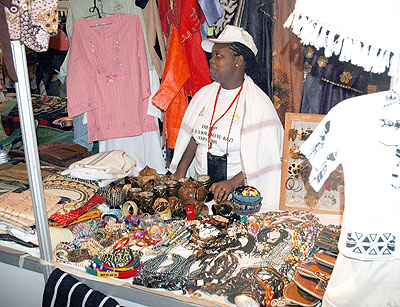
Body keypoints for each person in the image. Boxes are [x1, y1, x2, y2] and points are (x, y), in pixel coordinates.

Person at [169, 25, 283, 211]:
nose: (211, 61)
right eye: (212, 56)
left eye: (218, 56)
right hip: (199, 192)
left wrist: (231, 183)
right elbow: (194, 138)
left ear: (238, 61)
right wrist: (180, 176)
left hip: (236, 196)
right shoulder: (203, 96)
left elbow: (266, 158)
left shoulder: (259, 105)